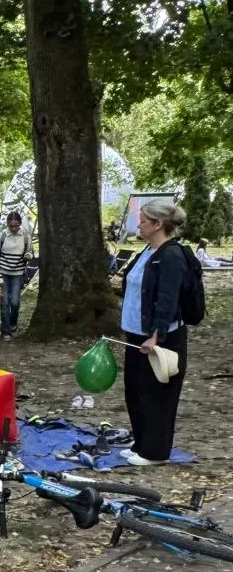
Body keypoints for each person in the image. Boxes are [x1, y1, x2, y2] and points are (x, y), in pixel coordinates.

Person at [119, 199, 190, 466]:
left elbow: (168, 298)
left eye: (143, 221)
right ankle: (141, 443)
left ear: (158, 224)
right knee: (136, 391)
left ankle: (155, 452)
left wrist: (156, 335)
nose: (139, 225)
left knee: (157, 395)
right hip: (136, 333)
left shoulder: (171, 255)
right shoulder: (148, 251)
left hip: (160, 337)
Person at [0, 211, 33, 338]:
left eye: (16, 226)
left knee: (15, 302)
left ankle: (13, 322)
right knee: (4, 302)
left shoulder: (25, 236)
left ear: (20, 224)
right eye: (11, 226)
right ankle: (6, 330)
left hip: (17, 273)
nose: (13, 229)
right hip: (3, 272)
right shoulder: (1, 236)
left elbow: (29, 251)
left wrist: (28, 256)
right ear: (7, 224)